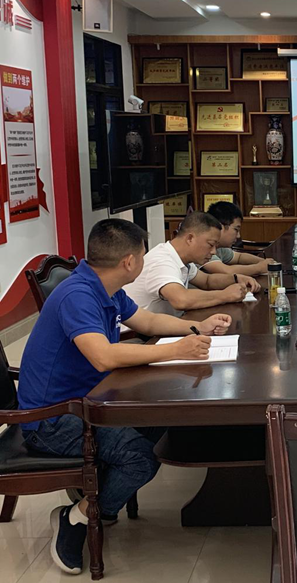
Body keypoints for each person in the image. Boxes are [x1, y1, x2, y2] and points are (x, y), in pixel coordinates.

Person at [17, 219, 233, 575]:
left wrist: (197, 327)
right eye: (143, 255)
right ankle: (77, 518)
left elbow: (146, 322)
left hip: (92, 399)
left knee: (161, 425)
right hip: (53, 419)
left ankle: (97, 494)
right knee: (140, 459)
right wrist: (175, 350)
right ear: (130, 261)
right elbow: (103, 356)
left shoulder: (105, 286)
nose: (145, 261)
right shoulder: (78, 296)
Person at [124, 211, 260, 318]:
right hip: (140, 337)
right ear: (190, 238)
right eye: (210, 244)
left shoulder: (181, 258)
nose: (213, 252)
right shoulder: (162, 261)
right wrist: (225, 295)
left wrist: (236, 278)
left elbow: (207, 281)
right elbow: (181, 300)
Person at [202, 201, 275, 277]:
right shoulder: (204, 247)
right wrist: (259, 268)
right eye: (236, 229)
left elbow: (239, 257)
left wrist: (264, 262)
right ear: (220, 227)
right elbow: (227, 271)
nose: (238, 236)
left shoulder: (220, 248)